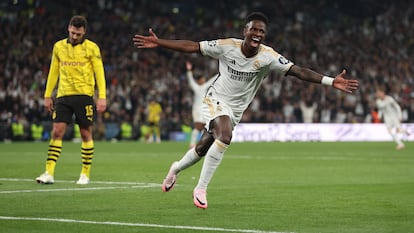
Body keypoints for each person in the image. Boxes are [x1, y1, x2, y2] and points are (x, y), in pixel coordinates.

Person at [133, 12, 359, 209]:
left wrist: (331, 82)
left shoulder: (268, 57)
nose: (258, 34)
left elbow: (298, 71)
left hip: (236, 110)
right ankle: (201, 189)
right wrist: (160, 42)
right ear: (245, 31)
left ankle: (175, 168)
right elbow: (193, 47)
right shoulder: (226, 46)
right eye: (254, 29)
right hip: (215, 100)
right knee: (225, 135)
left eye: (262, 31)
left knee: (202, 148)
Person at [36, 15, 107, 185]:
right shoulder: (58, 47)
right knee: (57, 132)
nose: (75, 36)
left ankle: (84, 174)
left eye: (78, 34)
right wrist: (47, 95)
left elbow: (100, 73)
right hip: (63, 95)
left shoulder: (92, 48)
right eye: (73, 33)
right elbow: (53, 71)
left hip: (84, 96)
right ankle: (49, 172)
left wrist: (102, 97)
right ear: (69, 28)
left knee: (85, 134)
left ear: (84, 32)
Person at [185, 61, 215, 148]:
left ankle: (201, 143)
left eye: (204, 79)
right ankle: (192, 144)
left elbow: (212, 80)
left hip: (204, 109)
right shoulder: (196, 87)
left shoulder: (205, 86)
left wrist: (222, 73)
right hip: (197, 109)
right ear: (199, 81)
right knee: (198, 126)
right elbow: (190, 80)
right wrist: (189, 71)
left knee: (204, 127)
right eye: (202, 79)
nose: (204, 80)